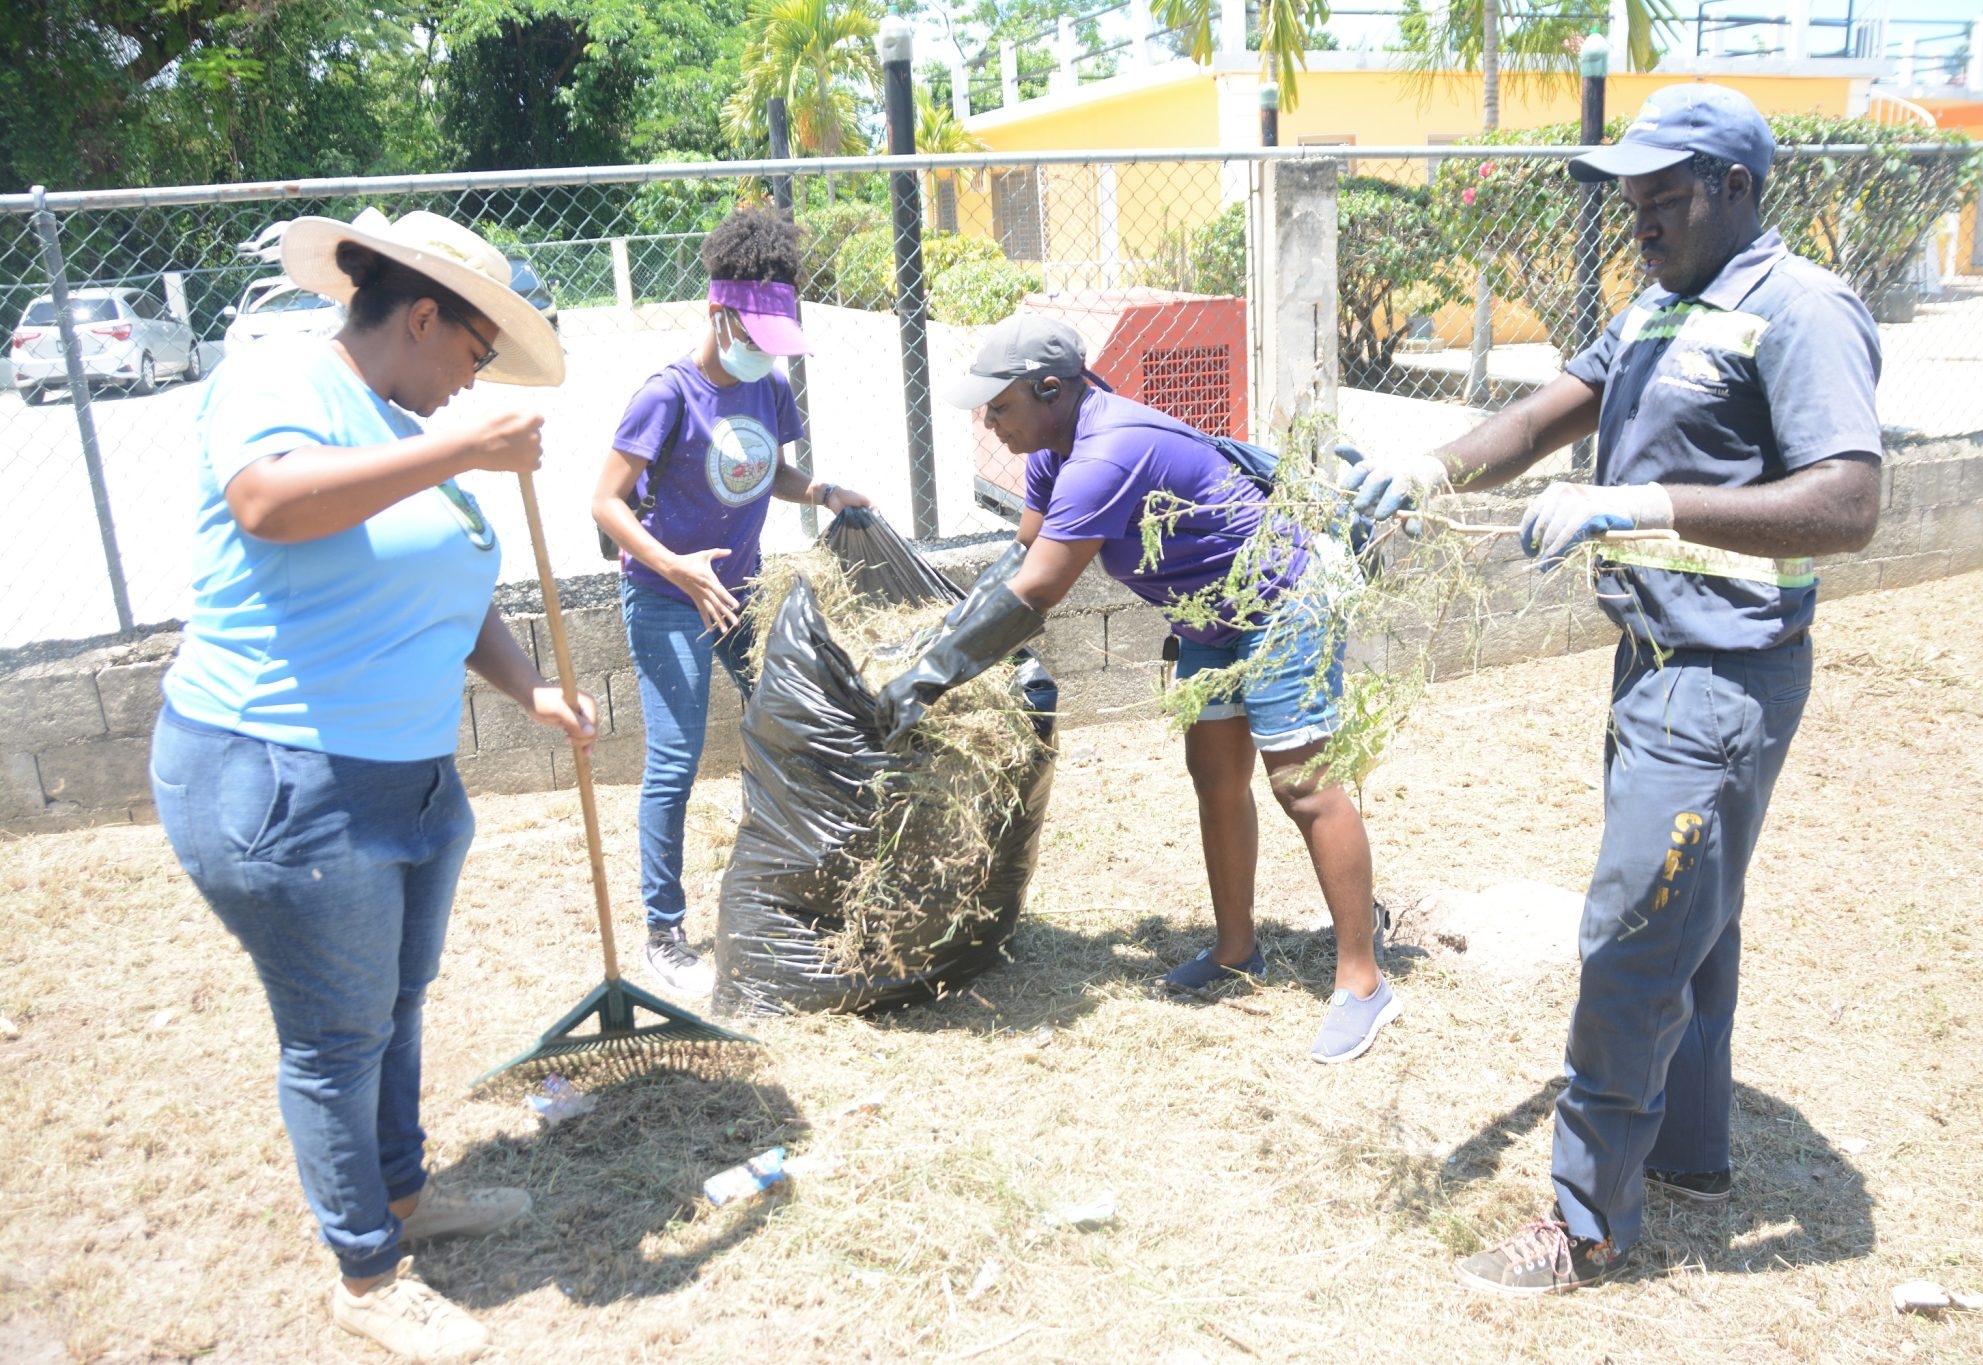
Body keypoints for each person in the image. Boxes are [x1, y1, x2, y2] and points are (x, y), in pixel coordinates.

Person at [1341, 85, 1883, 1294]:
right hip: (1649, 659)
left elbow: (1847, 503)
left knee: (1634, 931)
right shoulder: (1660, 299)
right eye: (1628, 195)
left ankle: (1586, 1224)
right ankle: (1688, 1157)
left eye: (1665, 194)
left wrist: (1640, 506)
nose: (1637, 214)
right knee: (1692, 917)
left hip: (1724, 672)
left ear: (1739, 190)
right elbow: (1547, 412)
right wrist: (1425, 467)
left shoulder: (1797, 310)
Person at [149, 207, 595, 1361]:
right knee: (336, 1040)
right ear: (423, 315)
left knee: (393, 1007)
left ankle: (402, 1193)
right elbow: (271, 502)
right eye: (475, 350)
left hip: (405, 781)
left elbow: (445, 581)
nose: (476, 377)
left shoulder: (394, 420)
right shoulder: (282, 375)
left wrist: (529, 689)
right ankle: (366, 1271)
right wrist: (463, 448)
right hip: (281, 777)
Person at [876, 314, 1397, 1064]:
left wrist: (923, 682)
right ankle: (1234, 950)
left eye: (1000, 406)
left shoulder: (1107, 451)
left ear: (1050, 389)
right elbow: (1024, 555)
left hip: (1283, 594)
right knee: (1215, 776)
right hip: (1208, 611)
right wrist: (928, 644)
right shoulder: (1052, 447)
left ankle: (1363, 980)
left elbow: (1039, 591)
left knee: (1301, 785)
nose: (988, 422)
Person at [591, 208, 869, 998]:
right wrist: (676, 567)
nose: (764, 358)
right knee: (674, 763)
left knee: (793, 725)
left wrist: (820, 489)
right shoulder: (666, 395)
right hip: (667, 597)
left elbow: (767, 472)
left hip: (742, 591)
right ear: (721, 315)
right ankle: (663, 929)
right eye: (755, 340)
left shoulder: (769, 386)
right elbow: (606, 501)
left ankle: (797, 881)